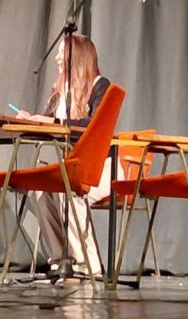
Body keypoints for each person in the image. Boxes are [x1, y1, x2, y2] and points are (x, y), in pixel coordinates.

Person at [16, 34, 116, 276]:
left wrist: (54, 122)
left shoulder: (100, 86)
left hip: (102, 169)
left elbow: (95, 125)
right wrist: (31, 121)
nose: (57, 58)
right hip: (71, 167)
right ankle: (61, 260)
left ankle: (86, 264)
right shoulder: (60, 91)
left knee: (68, 190)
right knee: (39, 189)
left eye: (62, 52)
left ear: (77, 56)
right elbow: (47, 121)